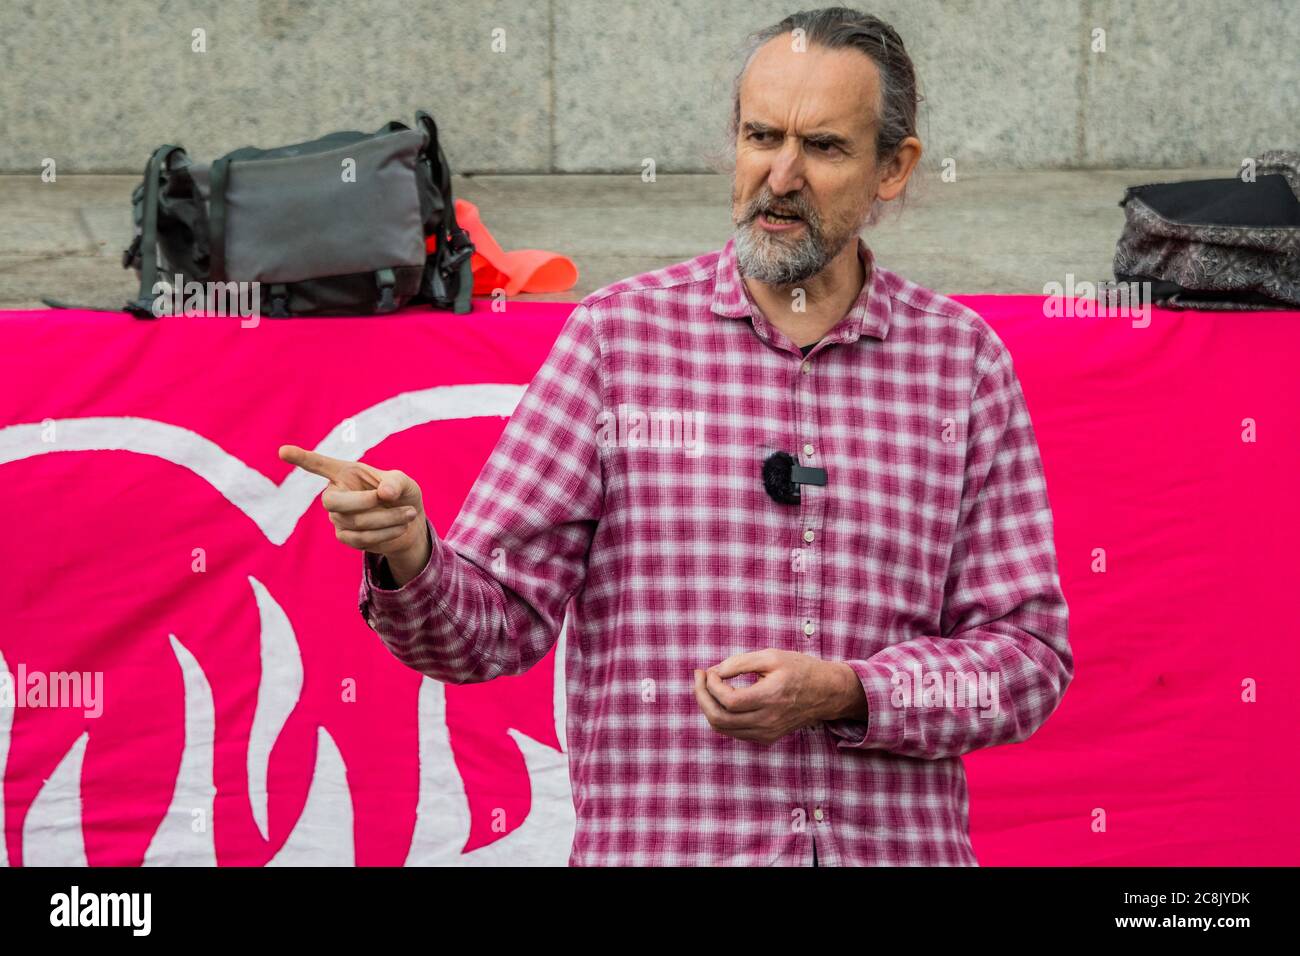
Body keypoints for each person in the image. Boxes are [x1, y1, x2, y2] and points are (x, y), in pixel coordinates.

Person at [280, 7, 1072, 866]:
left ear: (895, 168)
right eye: (761, 136)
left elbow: (1026, 663)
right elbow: (485, 630)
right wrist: (408, 553)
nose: (781, 175)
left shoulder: (961, 364)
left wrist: (849, 693)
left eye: (825, 148)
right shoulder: (617, 342)